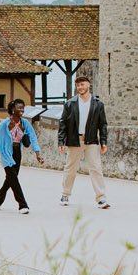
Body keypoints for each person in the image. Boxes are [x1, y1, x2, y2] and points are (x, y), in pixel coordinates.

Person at [57, 71, 110, 209]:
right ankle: (65, 194)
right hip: (75, 140)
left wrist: (103, 142)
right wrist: (61, 141)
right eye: (77, 85)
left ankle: (101, 198)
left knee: (96, 168)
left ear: (88, 85)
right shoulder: (70, 104)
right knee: (70, 168)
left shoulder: (98, 104)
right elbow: (63, 123)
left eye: (82, 84)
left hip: (91, 140)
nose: (79, 87)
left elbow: (102, 124)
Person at [0, 98, 42, 213]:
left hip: (17, 152)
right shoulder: (5, 124)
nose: (22, 109)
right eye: (19, 107)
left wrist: (38, 154)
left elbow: (33, 137)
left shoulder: (25, 123)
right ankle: (23, 205)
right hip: (7, 153)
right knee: (14, 179)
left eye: (23, 107)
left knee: (11, 179)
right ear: (12, 109)